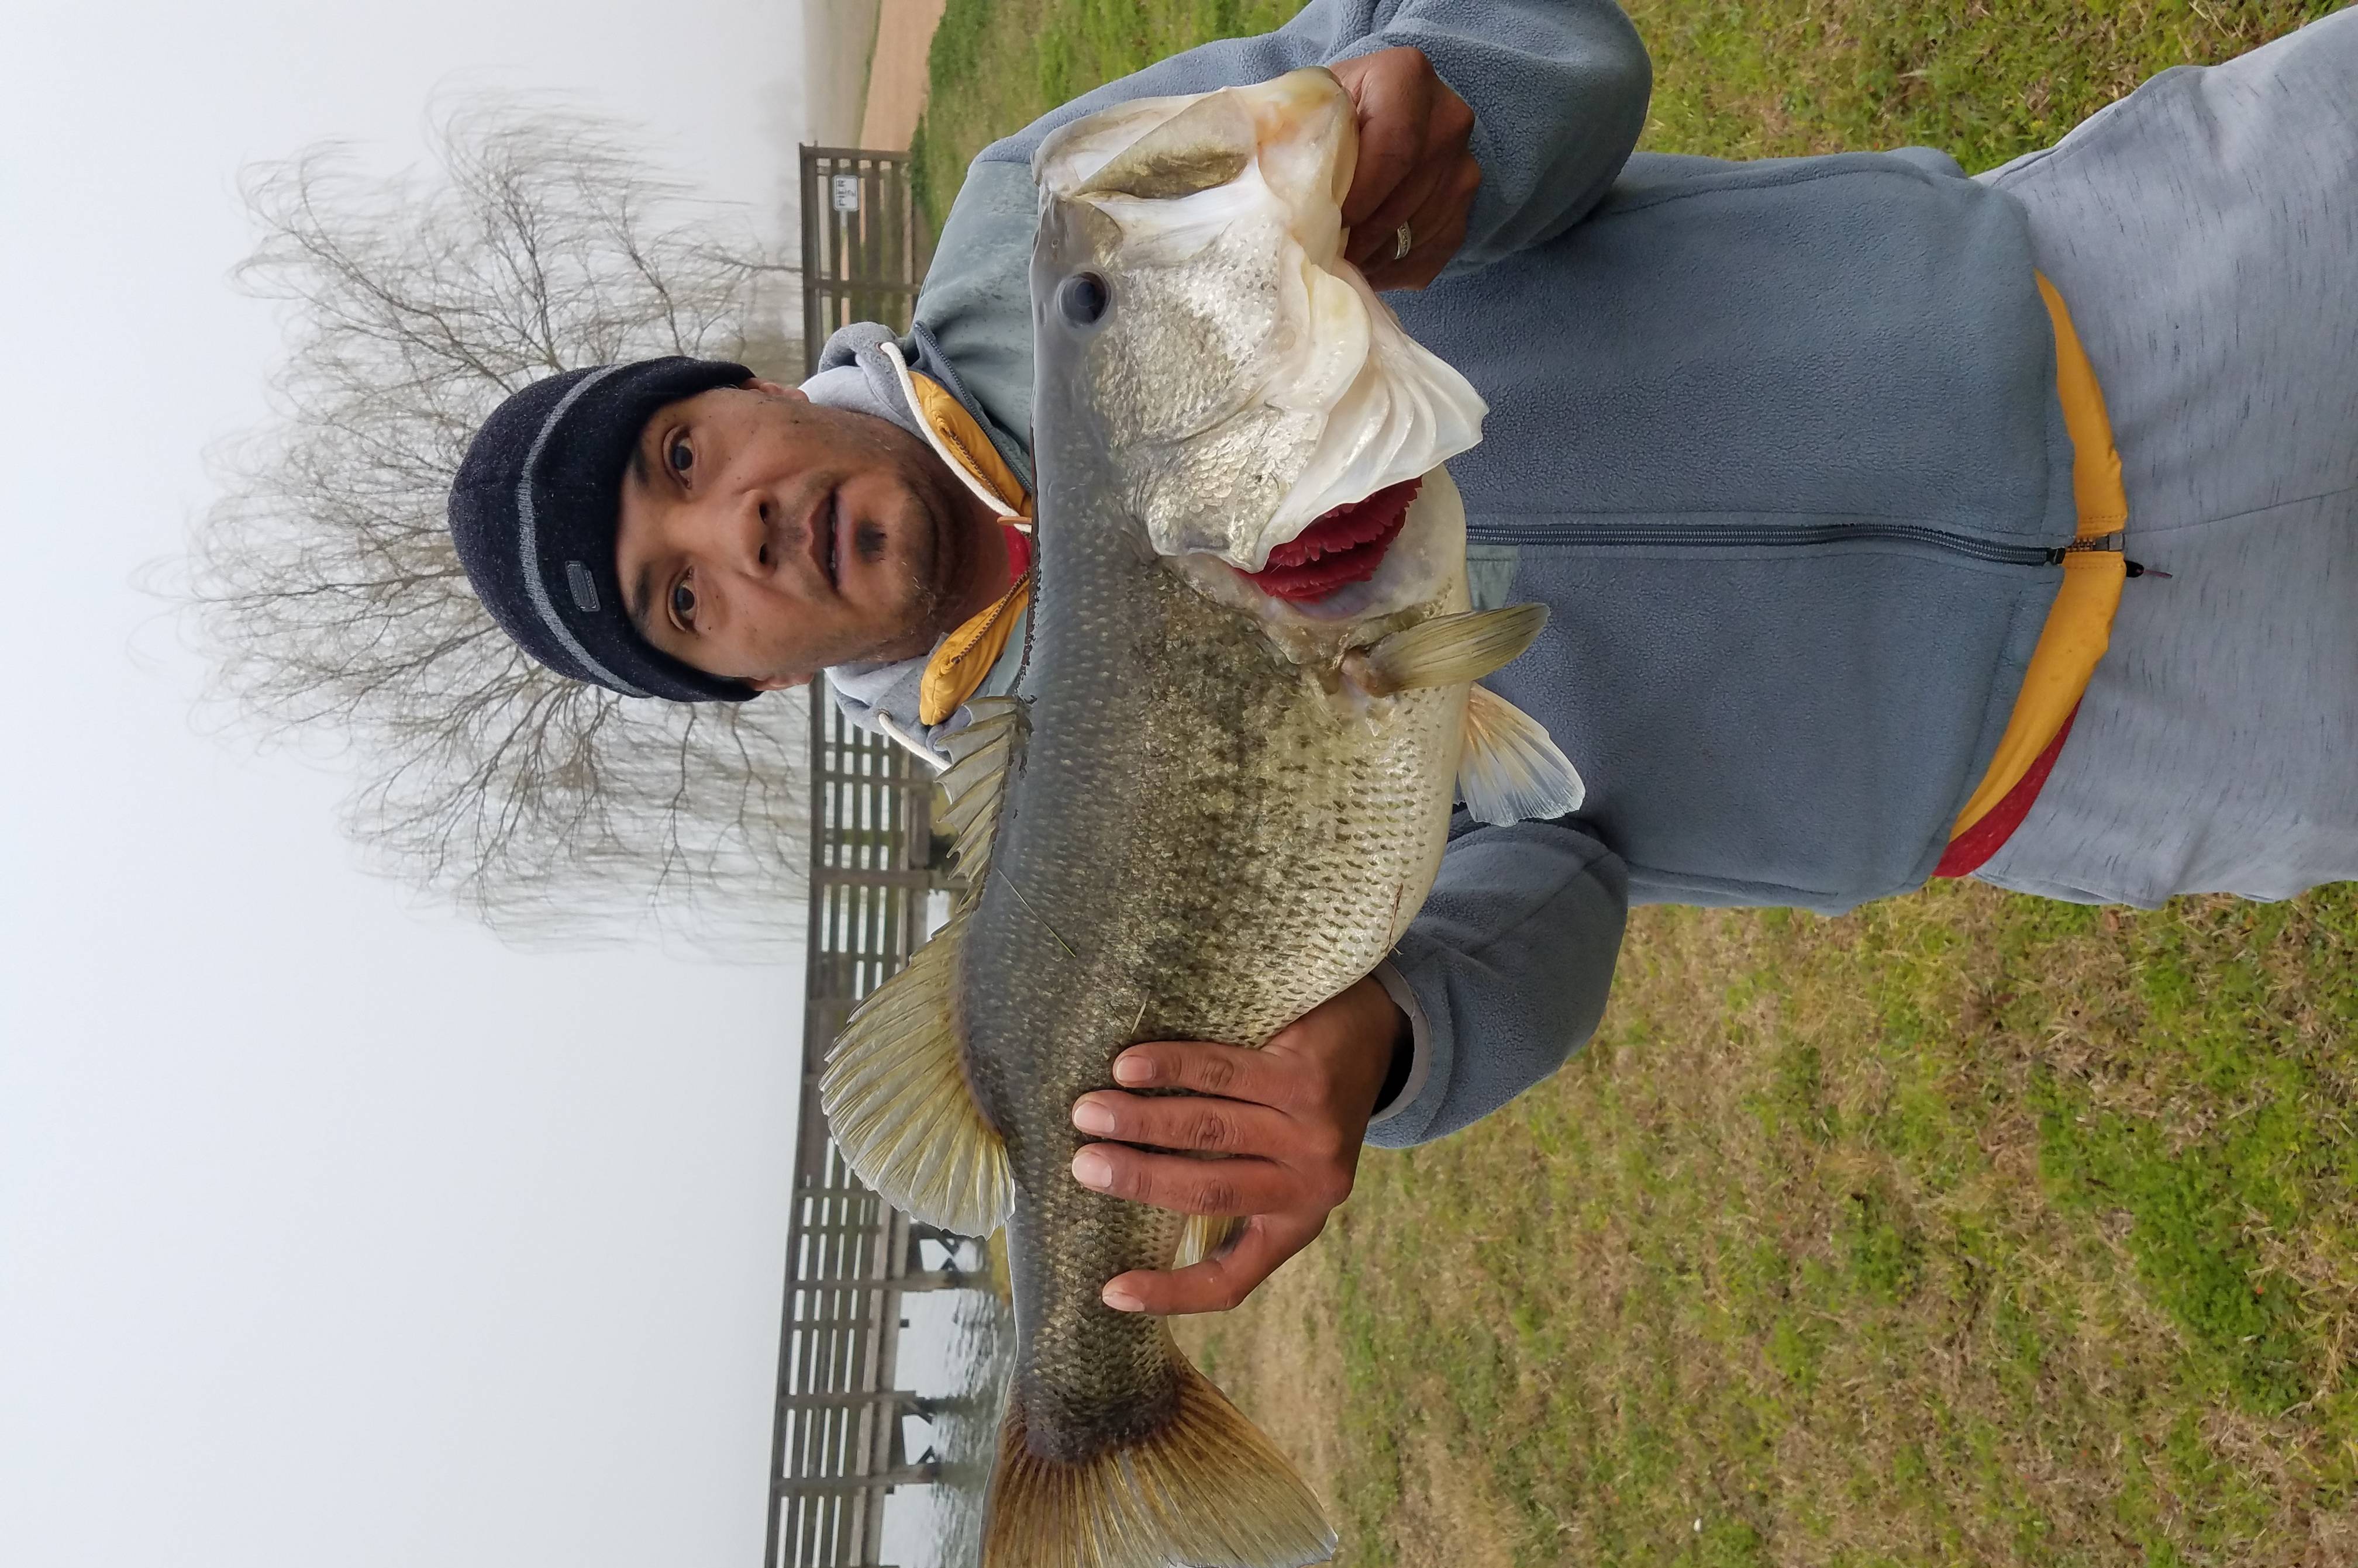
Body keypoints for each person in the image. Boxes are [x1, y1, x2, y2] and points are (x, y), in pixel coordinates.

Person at [447, 1, 2358, 1320]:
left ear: (739, 388)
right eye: (682, 603)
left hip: (2137, 275)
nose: (733, 533)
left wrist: (1449, 95)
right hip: (2112, 751)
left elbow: (1519, 41)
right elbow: (1555, 900)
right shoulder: (1055, 874)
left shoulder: (1062, 231)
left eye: (680, 459)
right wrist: (1396, 1046)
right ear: (749, 685)